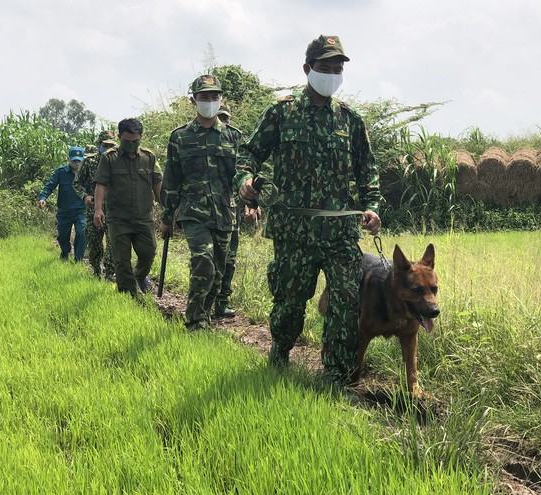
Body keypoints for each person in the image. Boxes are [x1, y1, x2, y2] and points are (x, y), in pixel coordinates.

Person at [235, 35, 382, 385]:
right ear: (307, 69)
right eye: (325, 68)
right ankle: (280, 352)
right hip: (293, 231)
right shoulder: (282, 114)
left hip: (340, 233)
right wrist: (245, 177)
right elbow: (249, 153)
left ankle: (336, 374)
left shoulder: (350, 121)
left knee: (345, 302)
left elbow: (368, 170)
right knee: (289, 300)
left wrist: (372, 207)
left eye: (337, 69)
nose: (332, 74)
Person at [160, 75, 243, 331]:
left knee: (218, 271)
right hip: (192, 211)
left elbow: (241, 174)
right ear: (193, 99)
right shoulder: (180, 137)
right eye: (204, 97)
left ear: (221, 99)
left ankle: (205, 314)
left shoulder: (233, 136)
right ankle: (194, 320)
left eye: (214, 96)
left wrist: (251, 200)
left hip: (223, 213)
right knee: (203, 260)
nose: (209, 101)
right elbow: (171, 179)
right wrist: (166, 217)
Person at [93, 118, 162, 296]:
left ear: (141, 137)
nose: (131, 145)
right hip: (118, 219)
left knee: (149, 252)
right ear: (119, 136)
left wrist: (166, 208)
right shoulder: (109, 158)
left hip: (143, 218)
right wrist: (98, 209)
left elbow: (157, 185)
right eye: (127, 141)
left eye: (135, 141)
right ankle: (129, 297)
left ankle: (139, 276)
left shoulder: (149, 157)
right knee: (122, 261)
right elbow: (101, 184)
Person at [213, 103, 261, 318]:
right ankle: (204, 302)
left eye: (226, 118)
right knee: (206, 259)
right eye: (219, 117)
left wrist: (252, 204)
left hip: (231, 210)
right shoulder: (198, 140)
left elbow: (246, 174)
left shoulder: (236, 142)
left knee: (229, 260)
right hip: (205, 211)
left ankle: (221, 302)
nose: (223, 122)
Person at [73, 130, 117, 279]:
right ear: (99, 145)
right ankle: (96, 270)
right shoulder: (89, 161)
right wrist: (85, 196)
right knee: (94, 243)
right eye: (105, 145)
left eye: (111, 145)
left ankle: (110, 273)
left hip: (113, 210)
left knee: (113, 243)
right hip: (93, 210)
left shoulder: (118, 161)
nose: (108, 148)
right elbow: (77, 183)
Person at [38, 146, 87, 262]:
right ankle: (65, 252)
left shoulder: (87, 172)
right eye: (74, 160)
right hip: (64, 210)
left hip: (81, 209)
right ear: (69, 159)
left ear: (83, 160)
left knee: (82, 232)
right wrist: (43, 197)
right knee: (62, 236)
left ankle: (78, 260)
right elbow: (50, 185)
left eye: (79, 161)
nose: (76, 163)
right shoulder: (61, 172)